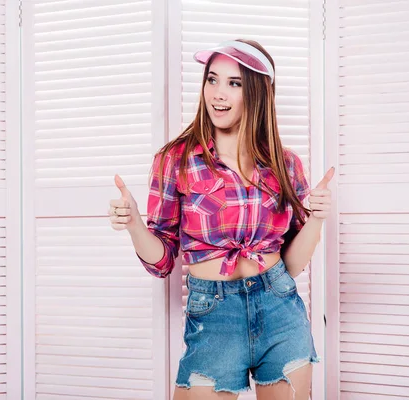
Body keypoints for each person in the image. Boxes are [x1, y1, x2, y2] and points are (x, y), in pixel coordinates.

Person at [108, 39, 333, 400]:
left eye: (234, 83)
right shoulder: (176, 160)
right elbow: (163, 260)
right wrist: (135, 223)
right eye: (212, 80)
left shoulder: (285, 164)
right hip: (213, 314)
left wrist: (318, 219)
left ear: (257, 92)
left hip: (280, 309)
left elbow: (291, 264)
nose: (218, 93)